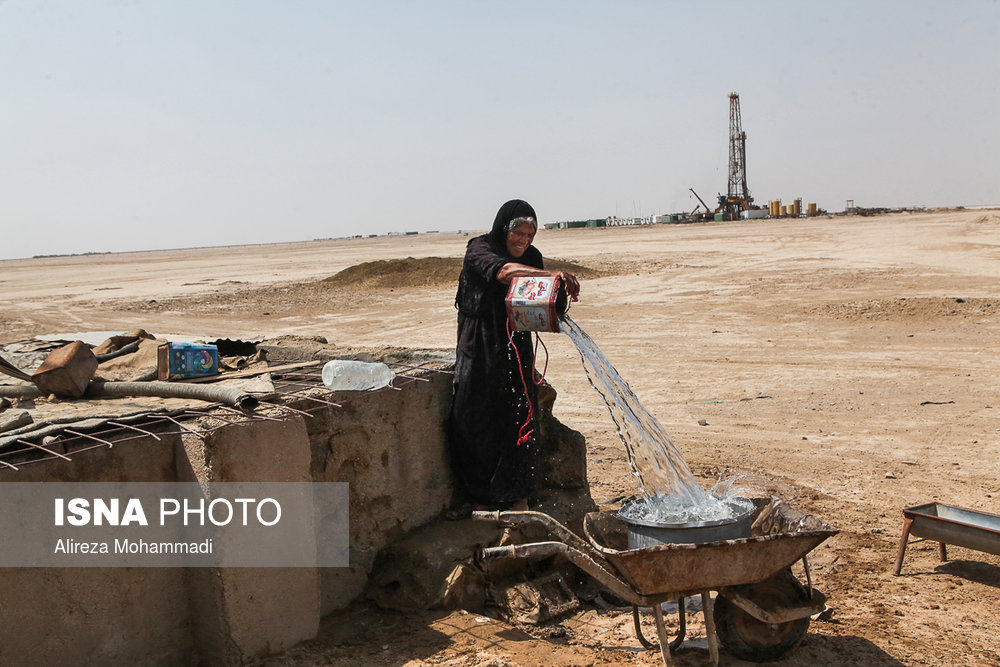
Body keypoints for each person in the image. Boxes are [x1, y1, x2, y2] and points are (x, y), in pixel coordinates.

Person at [449, 199, 580, 513]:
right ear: (503, 230)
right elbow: (505, 272)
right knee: (475, 415)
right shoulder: (480, 249)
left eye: (530, 234)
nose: (524, 240)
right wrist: (550, 274)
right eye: (518, 233)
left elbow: (536, 301)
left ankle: (520, 499)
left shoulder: (532, 257)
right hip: (479, 343)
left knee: (520, 416)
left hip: (515, 342)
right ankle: (481, 499)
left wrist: (556, 294)